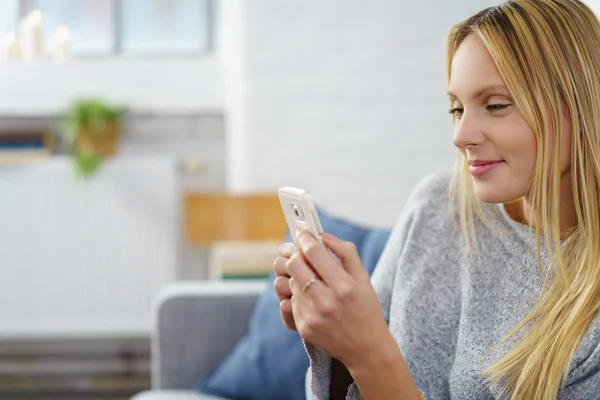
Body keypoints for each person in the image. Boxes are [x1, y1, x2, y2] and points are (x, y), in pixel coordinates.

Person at [272, 0, 600, 399]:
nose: (460, 136)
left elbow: (374, 359)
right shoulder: (435, 206)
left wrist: (372, 355)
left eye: (495, 105)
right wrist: (336, 343)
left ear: (580, 107)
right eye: (457, 108)